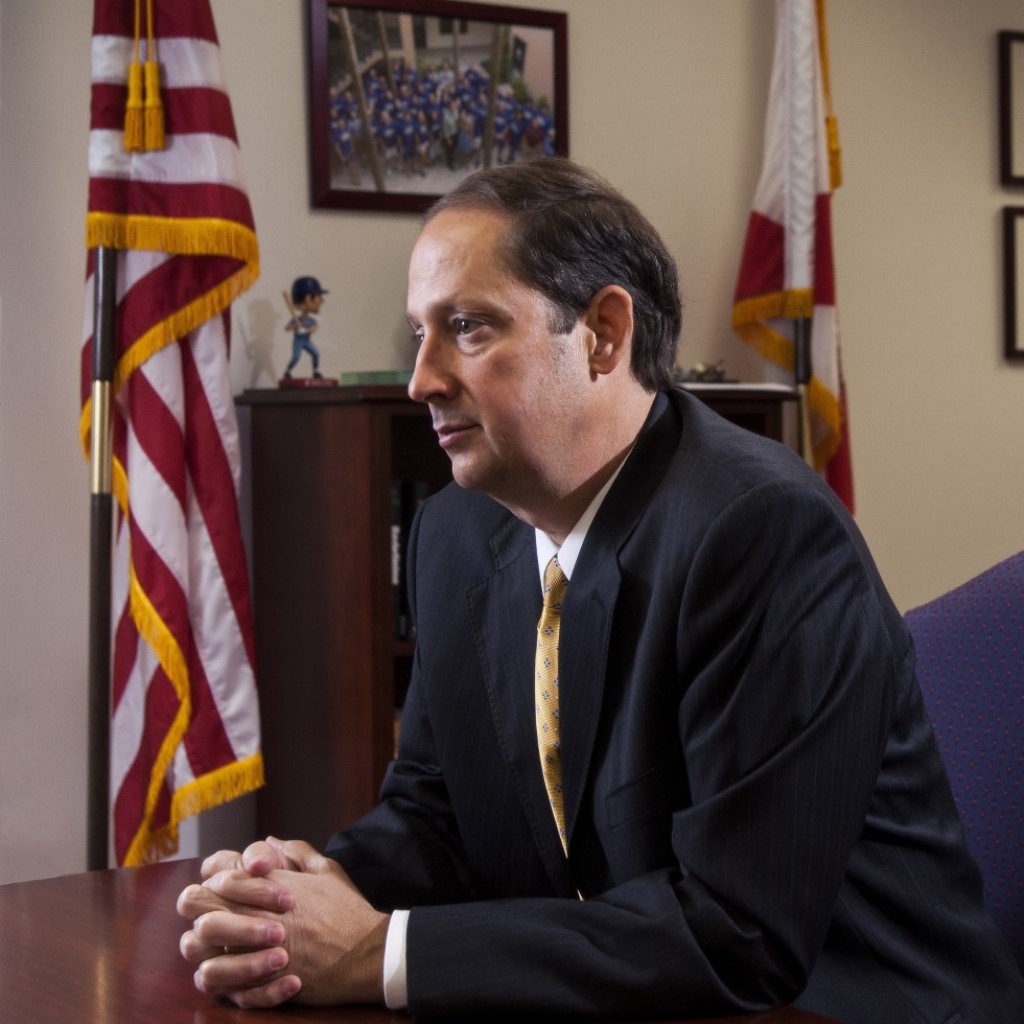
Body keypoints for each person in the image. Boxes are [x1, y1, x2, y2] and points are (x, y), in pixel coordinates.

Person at [178, 158, 1024, 1023]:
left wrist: (376, 954)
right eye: (419, 334)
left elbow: (737, 935)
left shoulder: (762, 533)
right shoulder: (457, 537)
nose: (421, 379)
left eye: (467, 327)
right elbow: (435, 814)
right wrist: (289, 904)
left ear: (603, 334)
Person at [282, 276, 327, 380]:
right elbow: (287, 328)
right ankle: (287, 372)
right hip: (298, 341)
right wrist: (295, 327)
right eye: (318, 296)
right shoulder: (296, 319)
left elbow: (314, 329)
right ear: (307, 299)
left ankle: (316, 371)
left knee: (315, 353)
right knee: (296, 357)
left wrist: (305, 330)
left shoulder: (311, 320)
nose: (322, 300)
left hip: (306, 341)